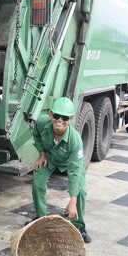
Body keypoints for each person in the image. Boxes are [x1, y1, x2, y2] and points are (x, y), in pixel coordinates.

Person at [30, 96, 91, 243]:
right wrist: (42, 154)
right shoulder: (41, 122)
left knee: (80, 191)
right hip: (50, 158)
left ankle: (78, 226)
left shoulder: (75, 141)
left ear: (70, 119)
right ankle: (40, 219)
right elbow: (36, 136)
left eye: (65, 117)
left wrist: (72, 201)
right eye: (56, 115)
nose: (60, 120)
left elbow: (75, 172)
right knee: (38, 182)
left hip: (69, 163)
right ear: (50, 114)